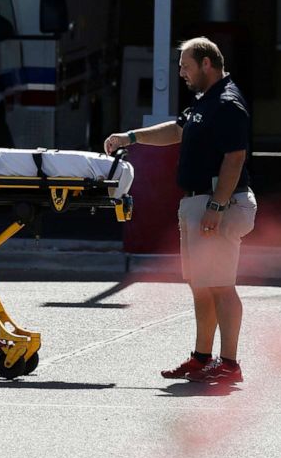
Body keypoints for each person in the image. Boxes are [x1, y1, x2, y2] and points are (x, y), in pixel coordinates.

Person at [105, 37, 257, 385]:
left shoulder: (228, 102)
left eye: (186, 67)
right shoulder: (205, 101)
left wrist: (217, 206)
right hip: (197, 202)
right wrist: (130, 137)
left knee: (221, 286)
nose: (182, 74)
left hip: (217, 203)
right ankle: (202, 358)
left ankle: (230, 364)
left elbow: (235, 158)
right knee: (202, 286)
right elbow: (177, 130)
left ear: (207, 64)